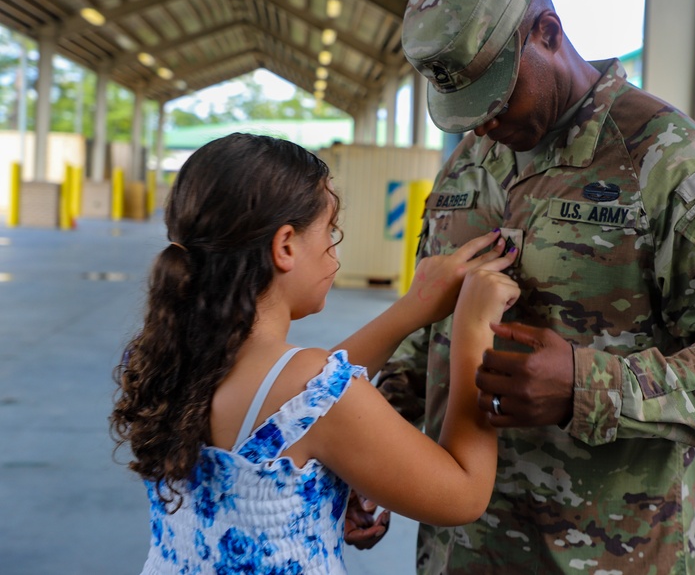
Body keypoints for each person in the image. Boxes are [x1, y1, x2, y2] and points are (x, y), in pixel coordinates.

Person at [346, 0, 695, 574]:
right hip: (459, 552)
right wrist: (380, 455)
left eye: (495, 94)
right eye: (465, 110)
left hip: (606, 557)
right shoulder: (469, 167)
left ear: (546, 32)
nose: (481, 125)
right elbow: (427, 333)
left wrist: (588, 384)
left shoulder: (670, 163)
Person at [110, 132, 521, 574]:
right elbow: (462, 495)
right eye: (330, 231)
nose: (334, 252)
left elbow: (301, 393)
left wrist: (410, 310)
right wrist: (473, 330)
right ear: (285, 246)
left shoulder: (173, 357)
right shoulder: (311, 389)